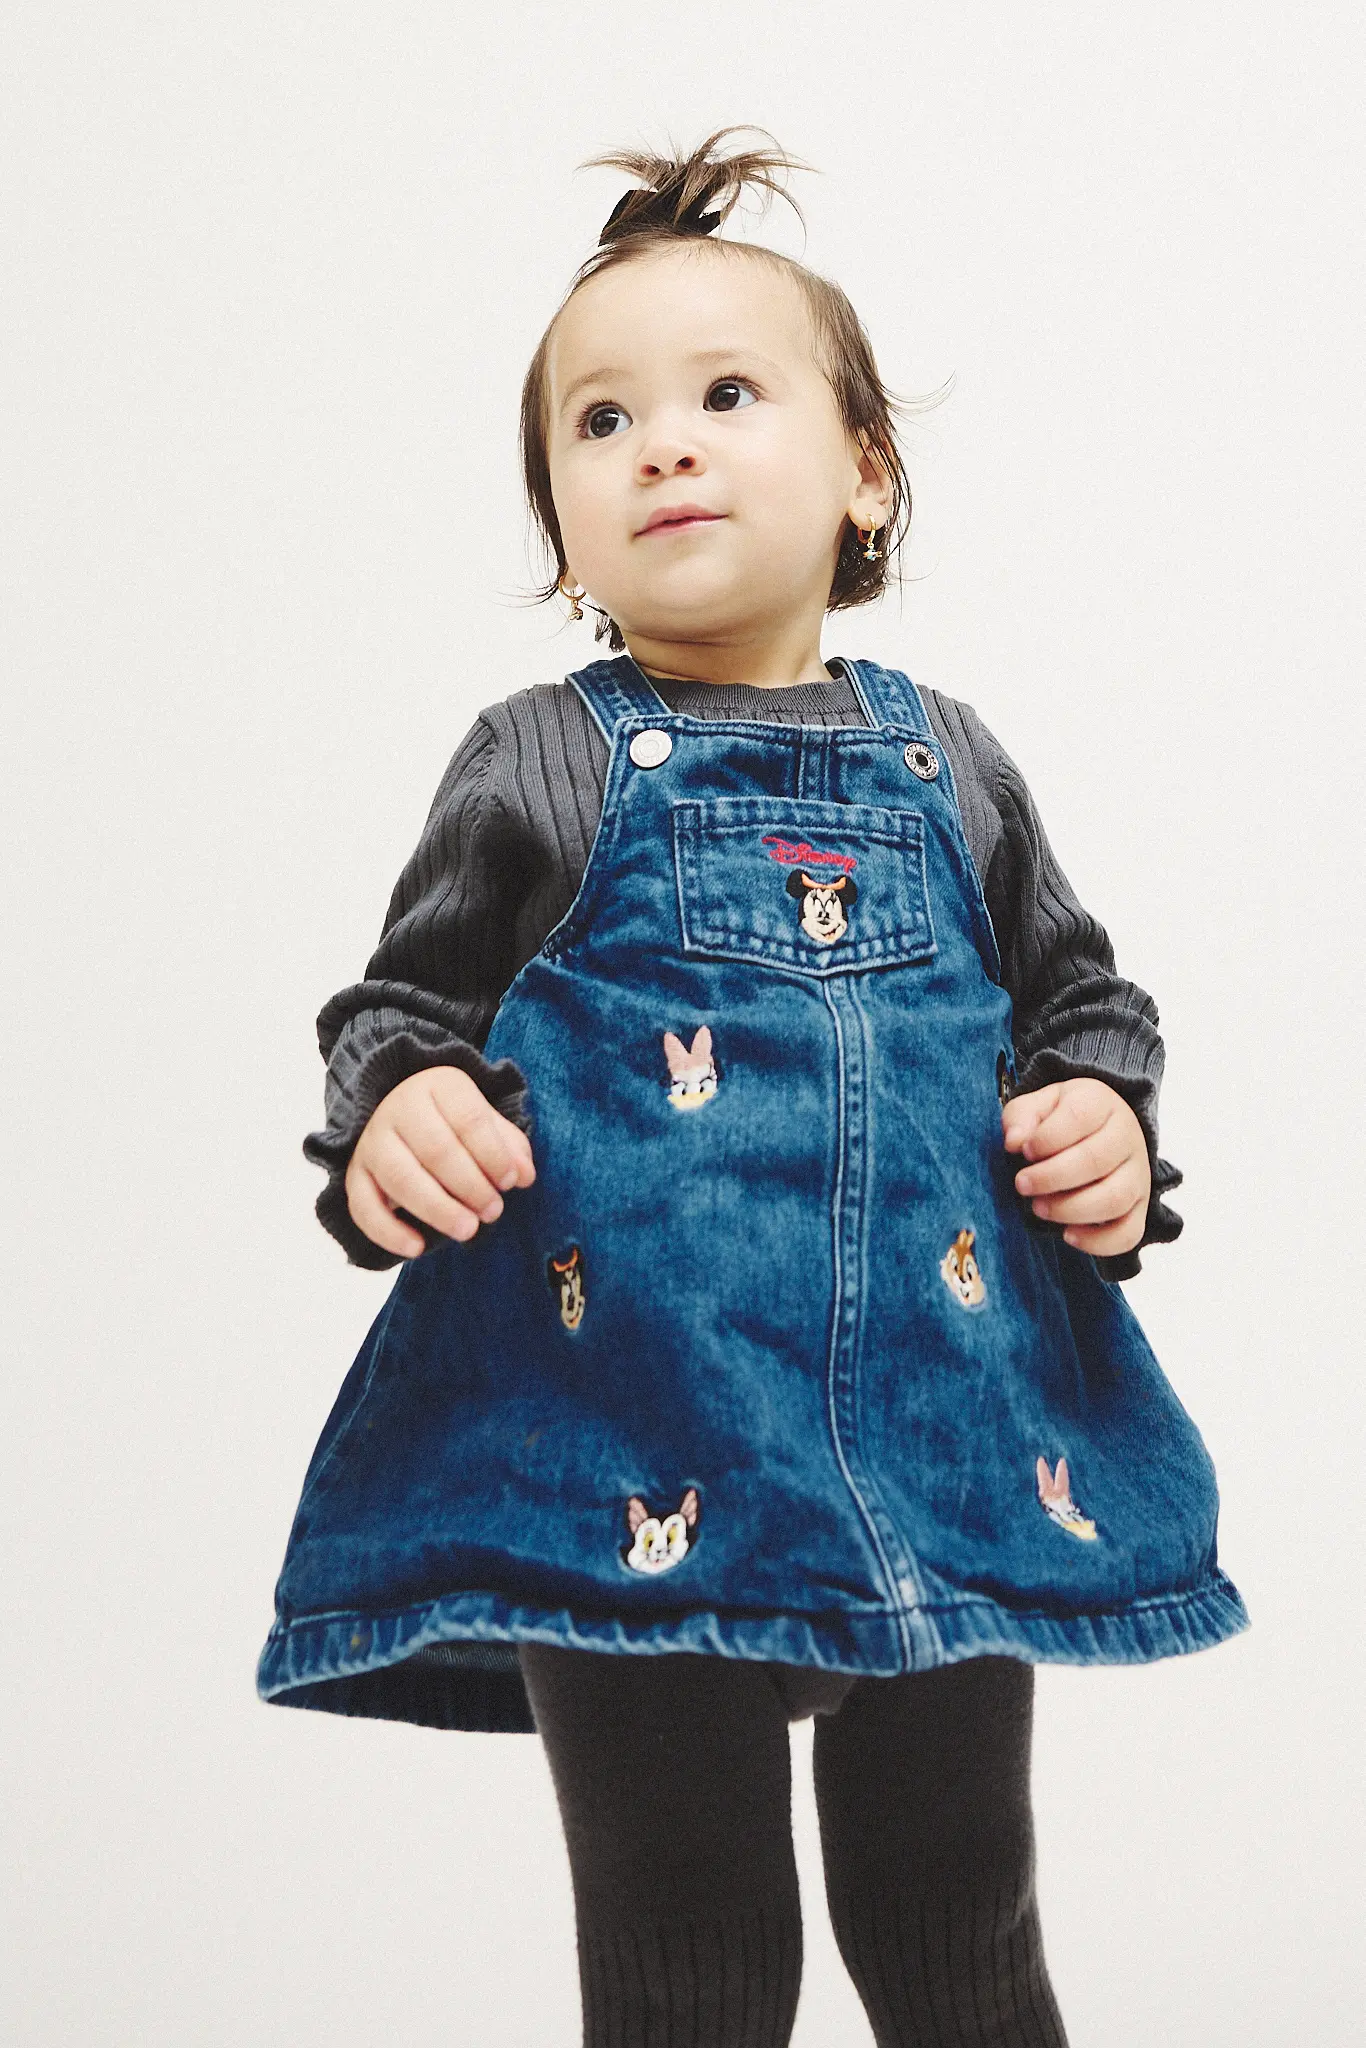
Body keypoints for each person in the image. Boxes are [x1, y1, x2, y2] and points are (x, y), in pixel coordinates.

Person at [257, 128, 1248, 2047]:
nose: (663, 447)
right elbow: (399, 1010)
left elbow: (1078, 999)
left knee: (959, 1922)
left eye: (725, 395)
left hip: (946, 1434)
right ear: (562, 527)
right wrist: (399, 1111)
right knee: (688, 1952)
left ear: (866, 469)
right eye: (601, 421)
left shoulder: (953, 761)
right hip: (628, 1426)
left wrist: (1102, 1122)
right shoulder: (541, 761)